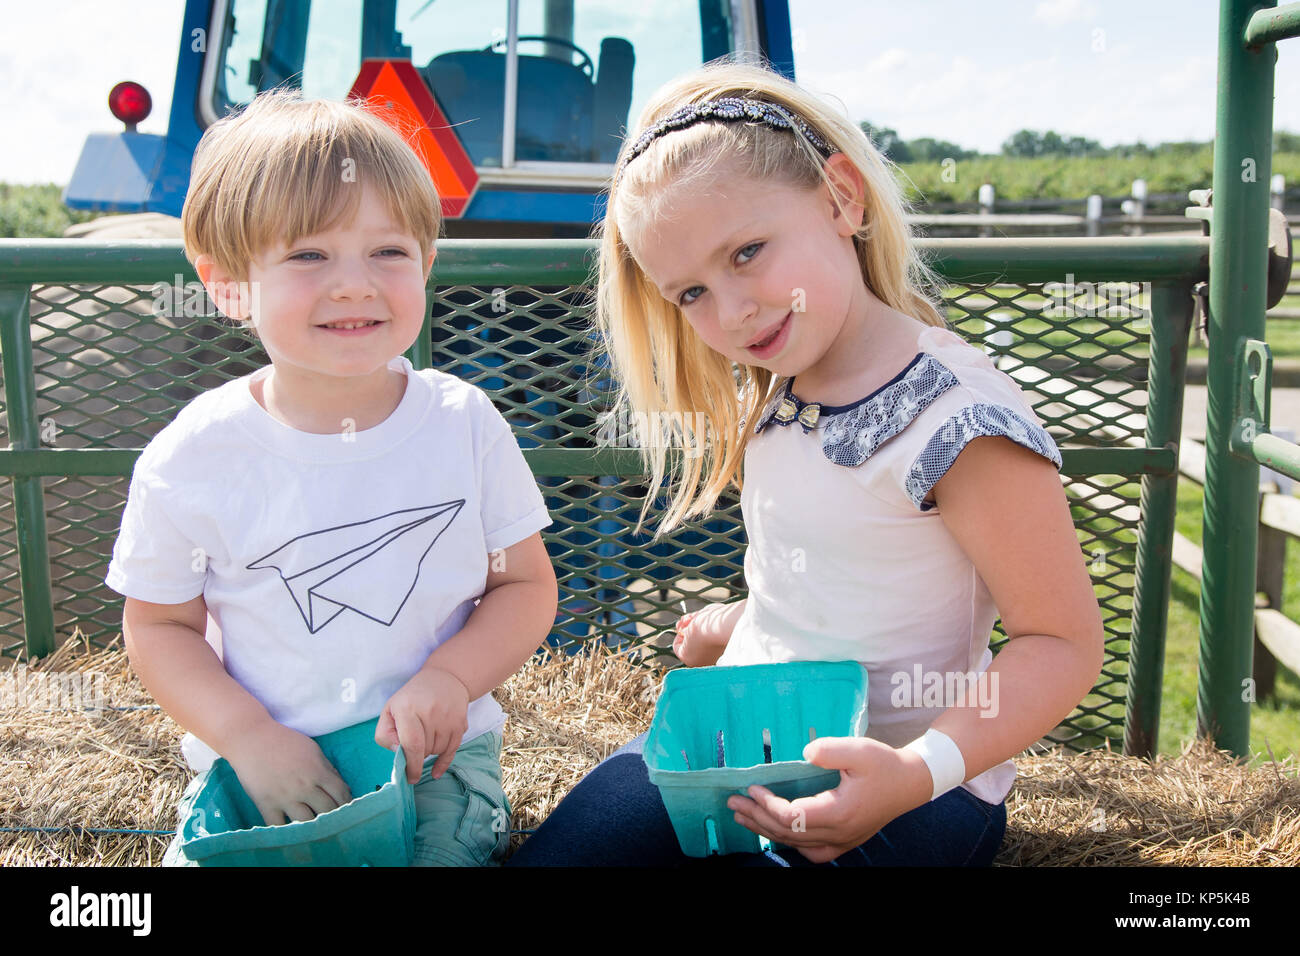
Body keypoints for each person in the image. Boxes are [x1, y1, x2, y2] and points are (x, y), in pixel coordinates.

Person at [507, 61, 1104, 867]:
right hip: (749, 742)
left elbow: (1061, 643)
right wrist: (749, 625)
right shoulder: (777, 390)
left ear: (842, 199)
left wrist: (912, 770)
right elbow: (843, 568)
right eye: (689, 294)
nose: (730, 311)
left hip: (914, 784)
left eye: (747, 252)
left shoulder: (959, 420)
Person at [105, 89, 558, 866]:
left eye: (388, 252)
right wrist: (249, 739)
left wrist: (451, 679)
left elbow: (524, 587)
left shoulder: (465, 422)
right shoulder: (193, 457)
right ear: (228, 285)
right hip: (260, 765)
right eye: (309, 255)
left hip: (431, 763)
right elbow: (158, 629)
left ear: (427, 263)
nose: (355, 284)